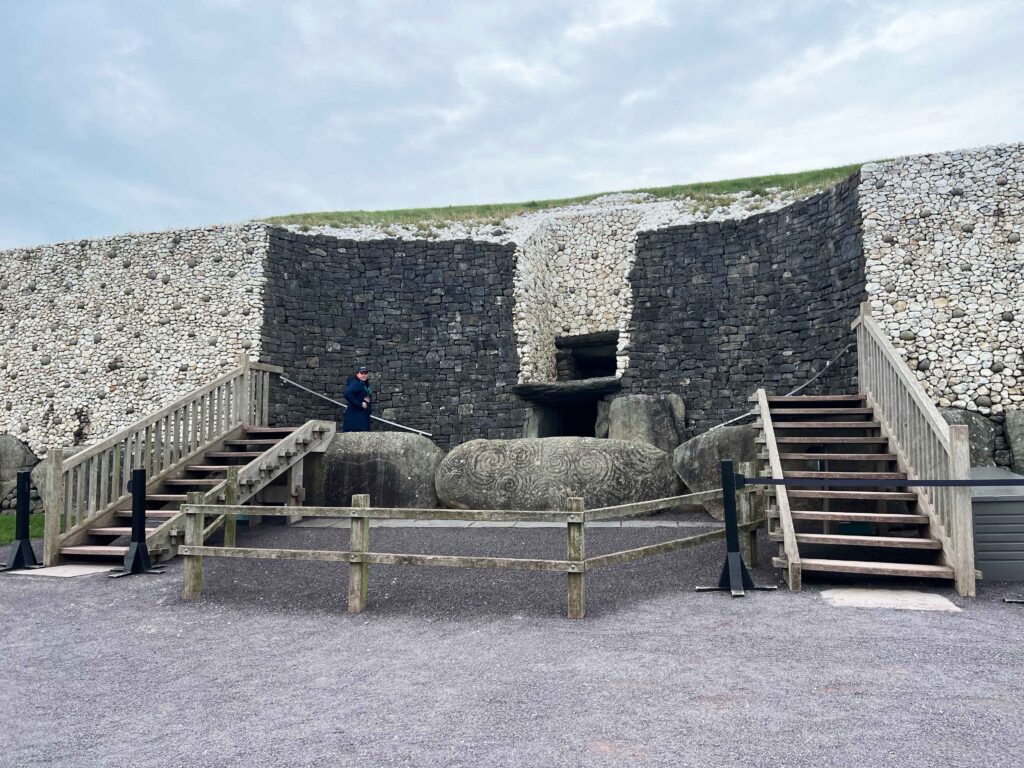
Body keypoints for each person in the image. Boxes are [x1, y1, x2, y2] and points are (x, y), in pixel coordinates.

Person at [341, 366, 373, 432]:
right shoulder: (355, 384)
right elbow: (347, 393)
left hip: (362, 417)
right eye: (362, 373)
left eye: (365, 373)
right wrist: (360, 403)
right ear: (357, 374)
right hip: (356, 420)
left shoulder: (364, 384)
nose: (364, 375)